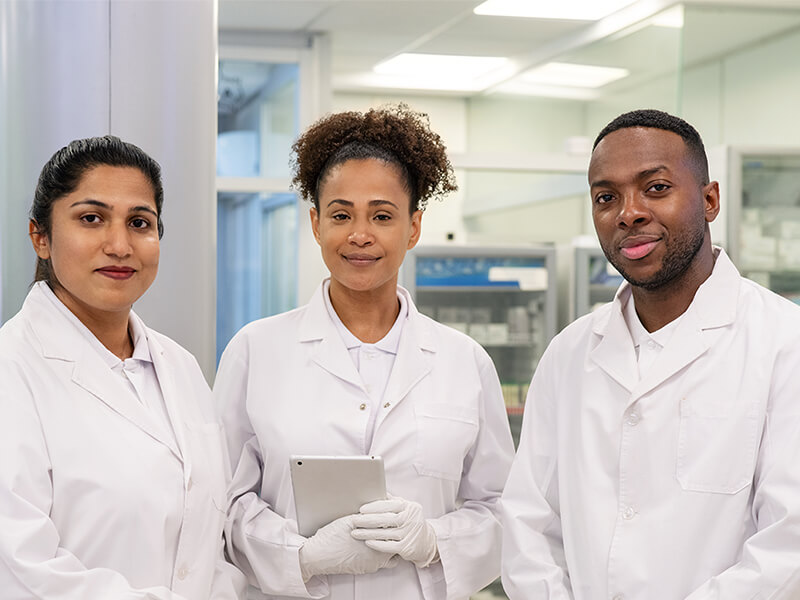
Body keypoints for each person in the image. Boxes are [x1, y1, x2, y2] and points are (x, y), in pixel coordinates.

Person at [215, 104, 516, 600]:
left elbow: (502, 508)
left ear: (413, 227)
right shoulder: (256, 350)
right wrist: (300, 557)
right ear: (315, 224)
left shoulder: (465, 362)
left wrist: (435, 541)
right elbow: (223, 503)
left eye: (382, 215)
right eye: (340, 215)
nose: (360, 235)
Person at [500, 109, 800, 599]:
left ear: (709, 200)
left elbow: (789, 546)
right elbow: (528, 524)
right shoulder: (569, 353)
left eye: (656, 188)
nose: (629, 212)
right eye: (606, 197)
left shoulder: (785, 343)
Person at [0, 136, 246, 599]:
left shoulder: (180, 367)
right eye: (91, 219)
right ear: (41, 237)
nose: (119, 244)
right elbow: (21, 570)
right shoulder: (11, 370)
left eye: (139, 223)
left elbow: (209, 541)